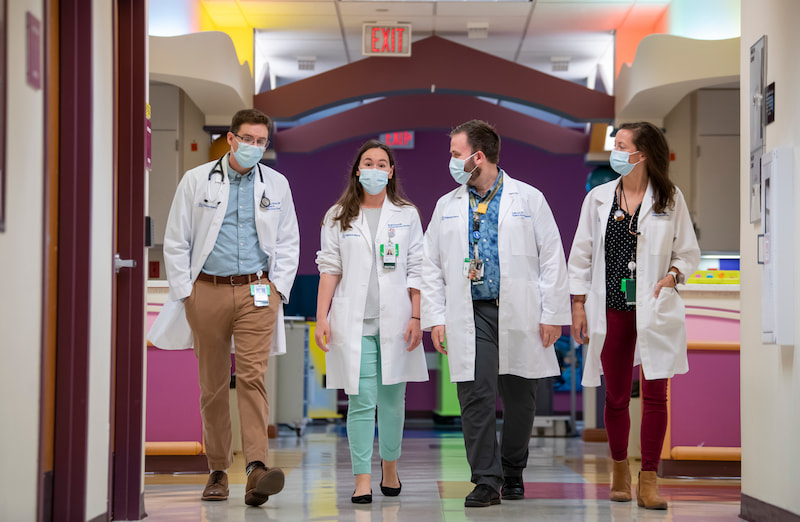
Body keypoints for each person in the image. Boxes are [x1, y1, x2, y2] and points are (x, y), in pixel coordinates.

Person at [153, 108, 299, 506]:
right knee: (213, 385)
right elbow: (176, 239)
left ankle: (255, 470)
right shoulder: (196, 180)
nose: (254, 146)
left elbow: (288, 242)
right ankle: (217, 470)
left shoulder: (277, 184)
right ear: (231, 139)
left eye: (261, 141)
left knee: (253, 377)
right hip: (207, 291)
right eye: (247, 139)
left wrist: (277, 288)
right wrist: (186, 293)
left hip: (257, 292)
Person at [421, 120, 571, 508]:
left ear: (478, 156)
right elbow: (430, 265)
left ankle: (513, 469)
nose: (451, 162)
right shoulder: (446, 205)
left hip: (520, 310)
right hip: (471, 312)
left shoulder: (529, 199)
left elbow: (553, 257)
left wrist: (553, 313)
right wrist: (436, 317)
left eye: (456, 154)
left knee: (521, 398)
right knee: (475, 395)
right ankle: (486, 480)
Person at [568, 122, 700, 510]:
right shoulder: (598, 199)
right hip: (612, 310)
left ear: (642, 153)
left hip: (654, 308)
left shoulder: (669, 198)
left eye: (623, 145)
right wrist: (578, 305)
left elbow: (687, 253)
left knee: (657, 395)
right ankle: (620, 472)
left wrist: (673, 276)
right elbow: (581, 254)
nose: (617, 152)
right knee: (617, 396)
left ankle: (650, 480)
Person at [315, 140, 429, 504]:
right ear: (357, 170)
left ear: (391, 171)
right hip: (354, 324)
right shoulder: (338, 215)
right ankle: (362, 478)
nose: (376, 169)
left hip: (397, 323)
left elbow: (417, 268)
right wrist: (321, 316)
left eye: (383, 164)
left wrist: (416, 315)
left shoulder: (407, 214)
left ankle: (390, 467)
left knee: (394, 401)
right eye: (369, 163)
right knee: (361, 401)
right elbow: (329, 269)